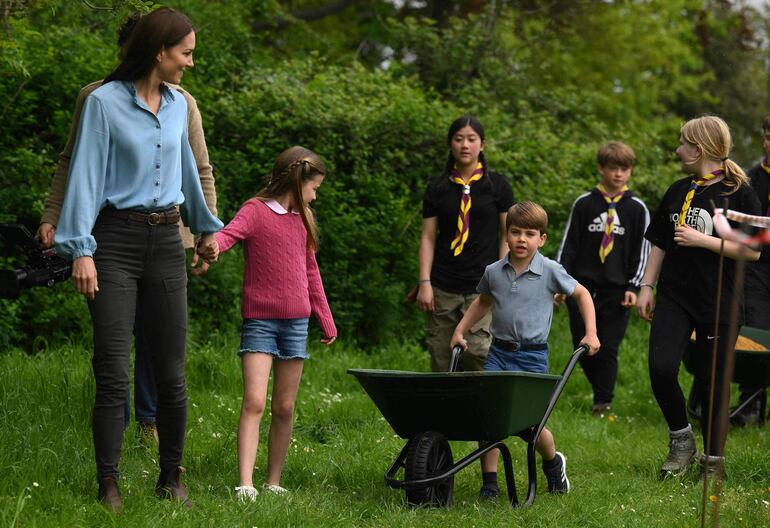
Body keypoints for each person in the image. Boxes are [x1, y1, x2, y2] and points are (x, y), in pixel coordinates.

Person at [53, 7, 222, 511]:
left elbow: (189, 174)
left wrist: (207, 228)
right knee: (113, 371)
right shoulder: (103, 104)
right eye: (186, 53)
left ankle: (172, 477)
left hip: (168, 243)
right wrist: (81, 249)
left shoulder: (179, 105)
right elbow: (82, 176)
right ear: (159, 51)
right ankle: (109, 484)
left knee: (171, 373)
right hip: (115, 244)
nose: (190, 63)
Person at [207, 146, 337, 502]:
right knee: (253, 401)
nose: (314, 195)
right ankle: (245, 483)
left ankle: (273, 481)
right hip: (260, 322)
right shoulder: (255, 211)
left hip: (296, 323)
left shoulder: (304, 218)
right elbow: (227, 235)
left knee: (284, 406)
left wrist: (325, 318)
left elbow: (311, 272)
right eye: (314, 188)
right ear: (297, 181)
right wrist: (211, 248)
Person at [637, 115, 760, 480]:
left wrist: (702, 240)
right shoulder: (678, 189)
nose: (677, 149)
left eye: (683, 143)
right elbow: (659, 240)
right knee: (660, 369)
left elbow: (752, 251)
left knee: (712, 383)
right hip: (675, 296)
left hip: (719, 300)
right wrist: (646, 286)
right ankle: (681, 440)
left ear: (701, 148)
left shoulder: (739, 192)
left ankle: (713, 462)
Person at [450, 201, 600, 498]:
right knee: (490, 418)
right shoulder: (494, 272)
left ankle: (553, 462)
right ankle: (490, 484)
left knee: (532, 423)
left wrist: (591, 333)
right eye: (515, 232)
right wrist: (459, 330)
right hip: (499, 353)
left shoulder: (550, 271)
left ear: (542, 239)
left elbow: (581, 294)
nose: (521, 239)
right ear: (506, 235)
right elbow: (483, 302)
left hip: (532, 356)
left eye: (530, 233)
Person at [556, 141, 650, 416]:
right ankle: (602, 388)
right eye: (613, 168)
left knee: (607, 346)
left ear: (630, 171)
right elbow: (568, 245)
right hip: (581, 288)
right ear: (601, 168)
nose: (619, 174)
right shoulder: (584, 203)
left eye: (625, 169)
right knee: (582, 344)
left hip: (617, 290)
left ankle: (602, 401)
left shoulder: (636, 208)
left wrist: (634, 285)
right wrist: (561, 282)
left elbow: (641, 252)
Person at [417, 115, 514, 372]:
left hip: (483, 283)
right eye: (459, 139)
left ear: (482, 145)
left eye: (472, 139)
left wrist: (504, 274)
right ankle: (447, 407)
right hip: (443, 283)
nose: (465, 145)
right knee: (441, 354)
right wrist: (424, 282)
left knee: (478, 351)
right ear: (450, 144)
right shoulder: (438, 187)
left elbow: (508, 234)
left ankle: (478, 407)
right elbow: (428, 236)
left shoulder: (498, 186)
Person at [731, 115, 770, 425]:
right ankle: (750, 405)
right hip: (756, 267)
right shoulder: (749, 179)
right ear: (763, 138)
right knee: (756, 332)